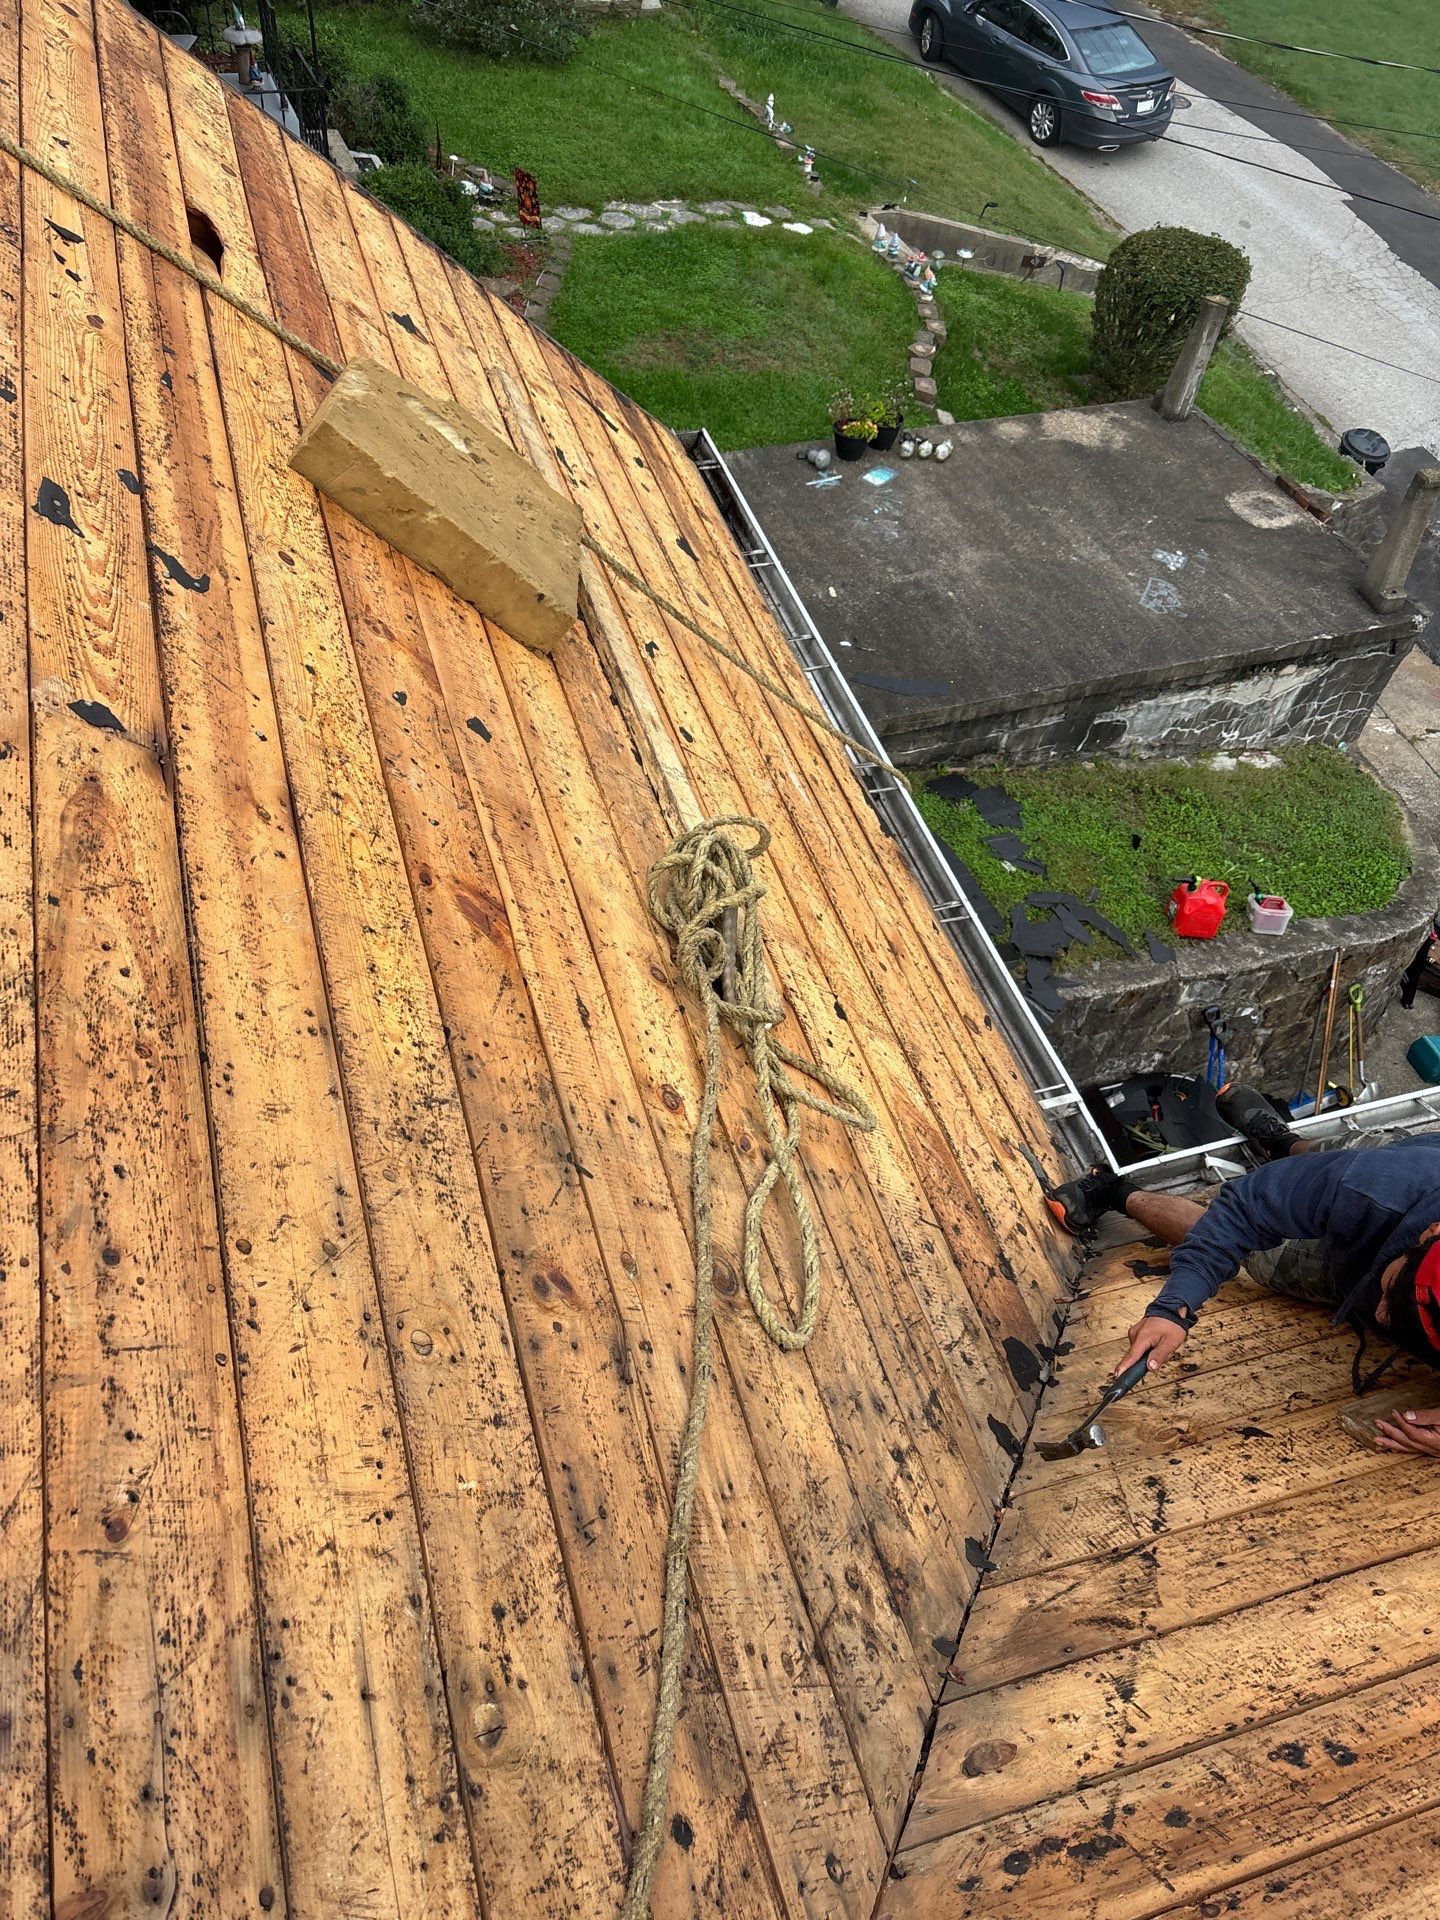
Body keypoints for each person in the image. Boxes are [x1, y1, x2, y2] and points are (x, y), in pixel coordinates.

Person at [1046, 1084, 1440, 1461]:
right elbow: (1241, 1215)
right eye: (1392, 1290)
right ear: (1431, 1233)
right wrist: (1173, 1307)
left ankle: (1285, 1151)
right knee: (1275, 1220)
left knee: (1321, 1176)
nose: (1381, 1316)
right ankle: (1115, 1190)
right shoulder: (1379, 1187)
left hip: (1379, 1189)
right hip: (1393, 1185)